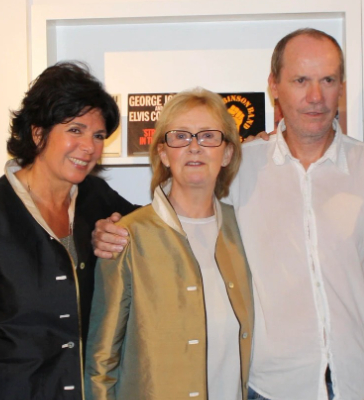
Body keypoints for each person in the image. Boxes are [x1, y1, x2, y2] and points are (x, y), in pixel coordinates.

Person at [94, 28, 364, 400]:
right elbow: (181, 206)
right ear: (274, 86)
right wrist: (113, 229)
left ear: (342, 85)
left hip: (357, 381)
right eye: (301, 80)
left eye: (328, 80)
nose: (316, 96)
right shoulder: (243, 166)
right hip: (269, 387)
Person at [0, 62, 137, 399]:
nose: (90, 147)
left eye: (98, 136)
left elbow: (158, 230)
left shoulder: (97, 200)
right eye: (76, 130)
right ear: (38, 134)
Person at [84, 87, 252, 400]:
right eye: (181, 136)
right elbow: (101, 362)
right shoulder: (127, 237)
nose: (195, 147)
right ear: (163, 152)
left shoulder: (245, 230)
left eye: (208, 136)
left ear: (227, 153)